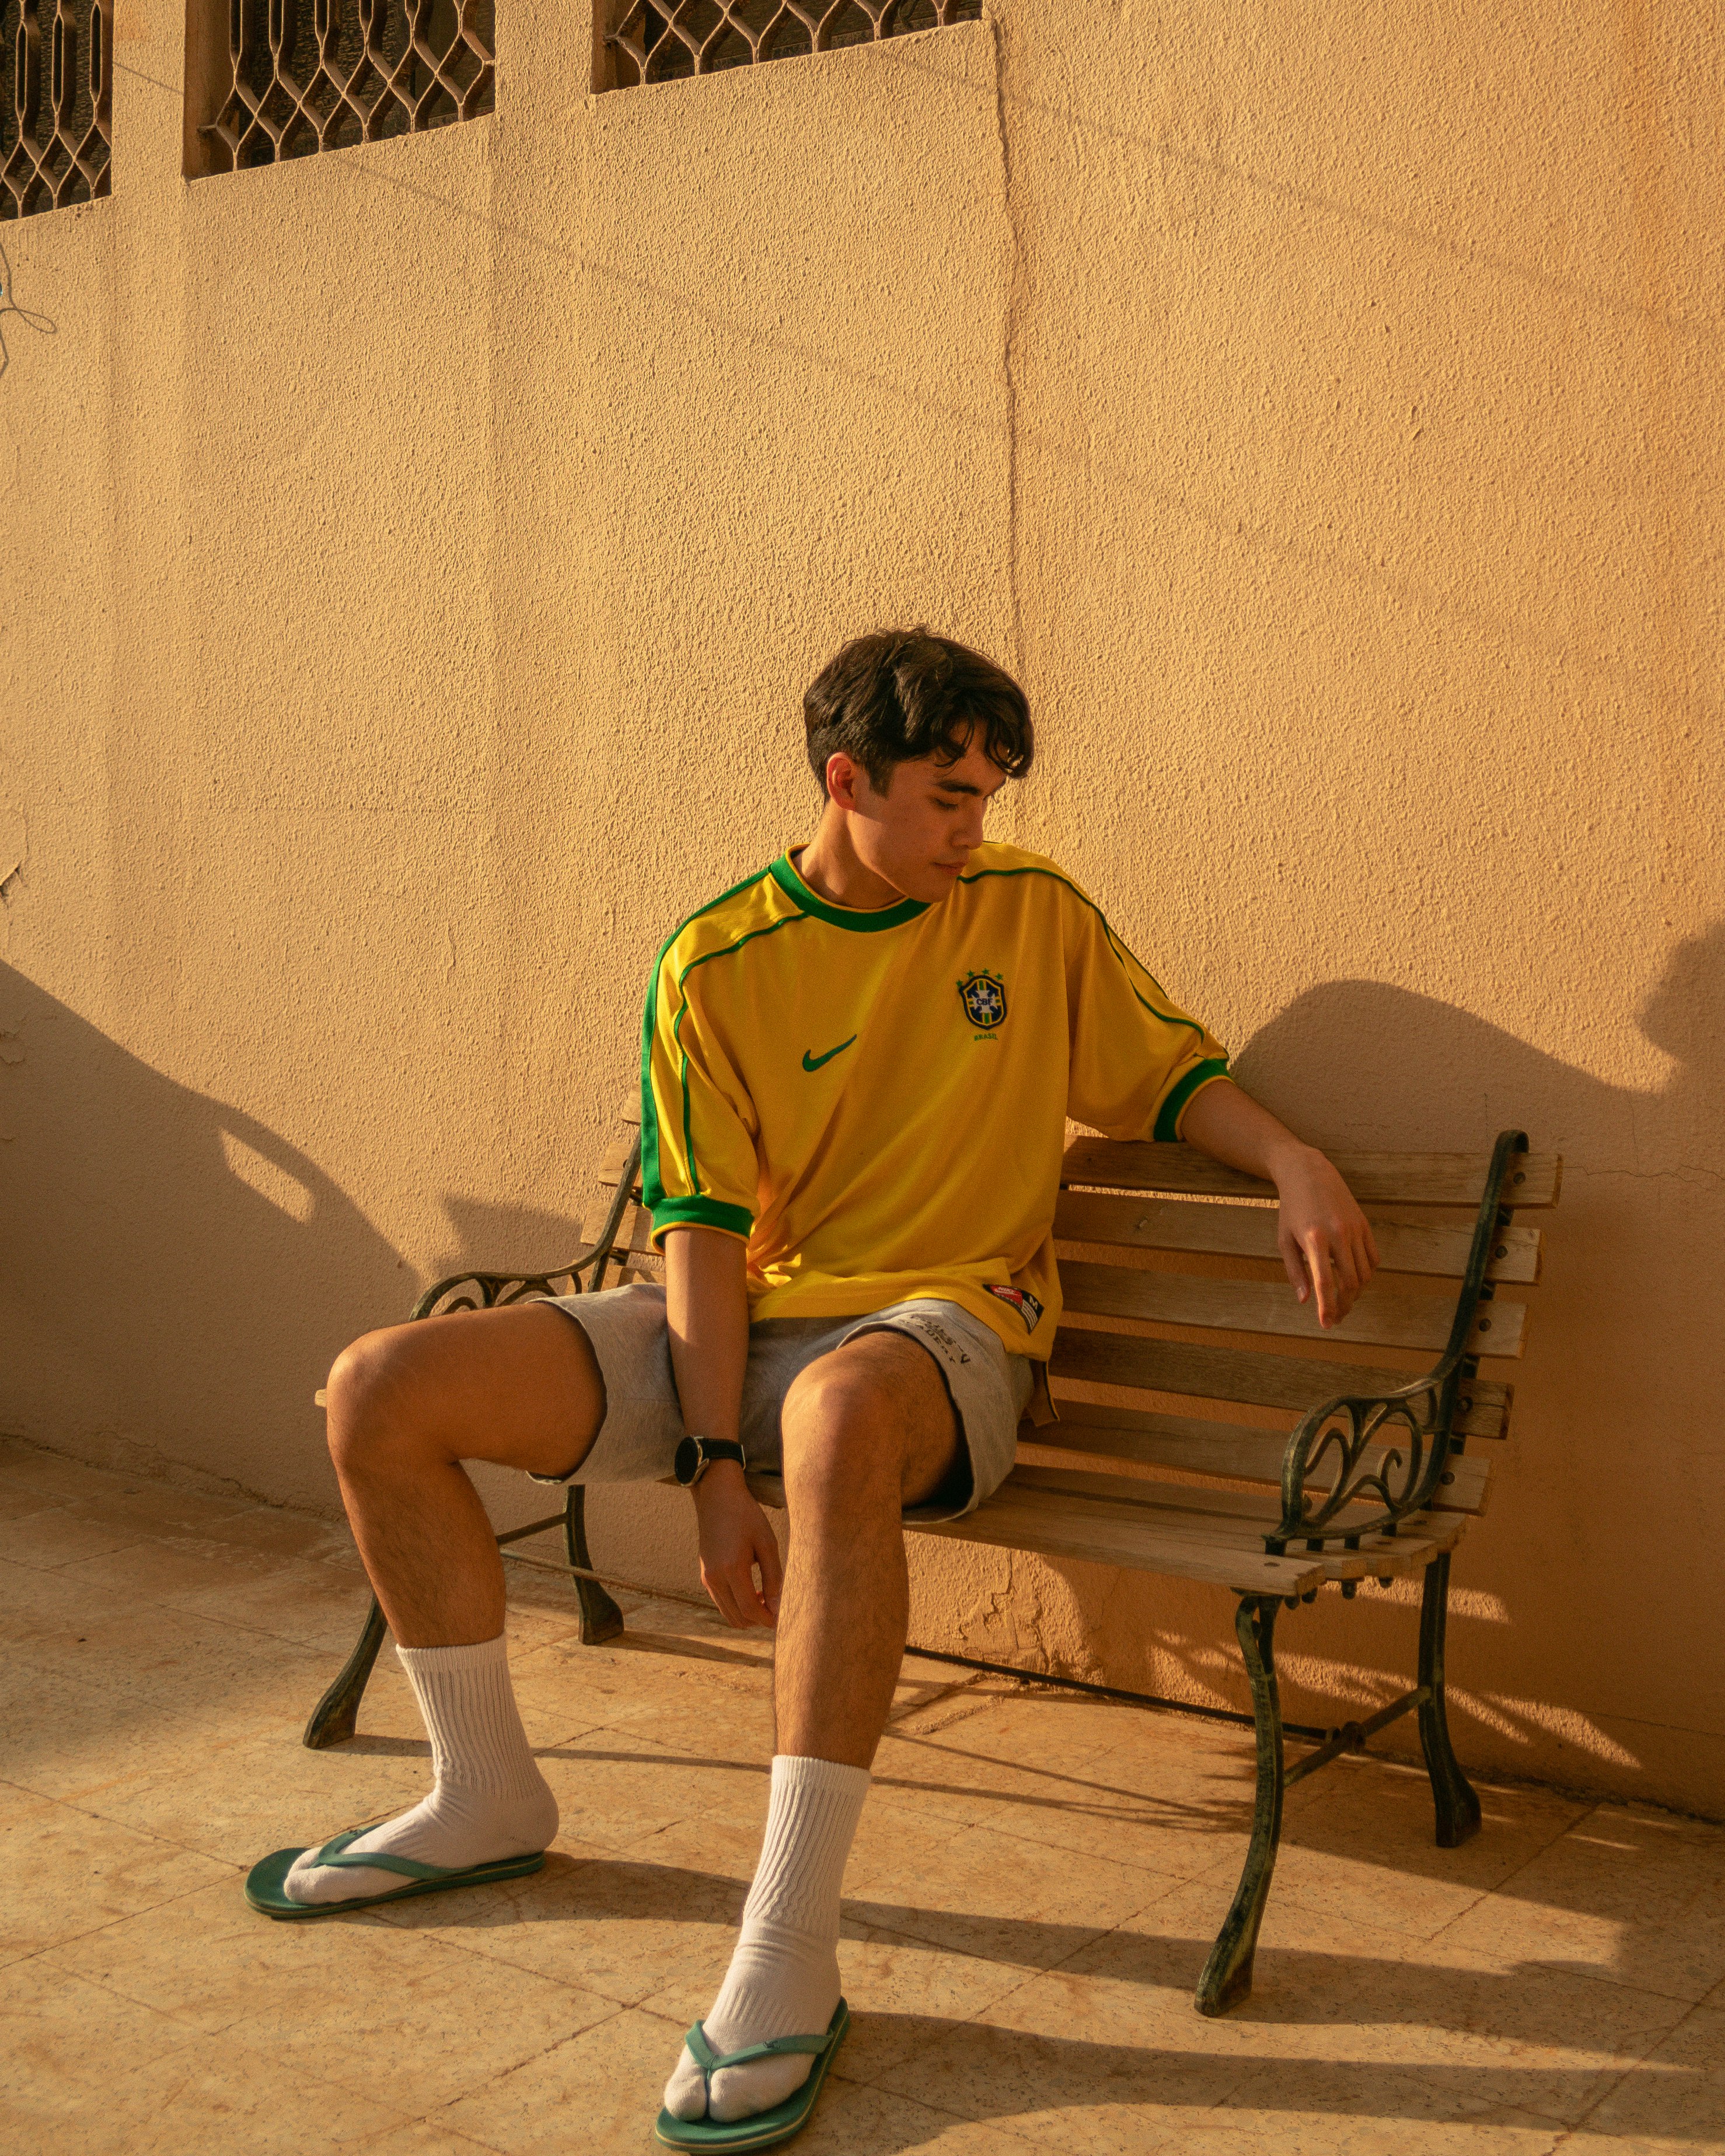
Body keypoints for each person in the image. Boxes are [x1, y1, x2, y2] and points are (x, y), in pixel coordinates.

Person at [245, 630, 1379, 2151]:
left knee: (835, 1415)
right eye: (945, 799)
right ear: (844, 782)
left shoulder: (1027, 919)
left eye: (987, 798)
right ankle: (485, 1799)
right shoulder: (711, 963)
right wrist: (712, 1464)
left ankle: (785, 1955)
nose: (974, 829)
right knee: (379, 1388)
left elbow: (1165, 1076)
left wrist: (1292, 1158)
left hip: (948, 1332)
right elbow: (701, 1240)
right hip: (753, 1330)